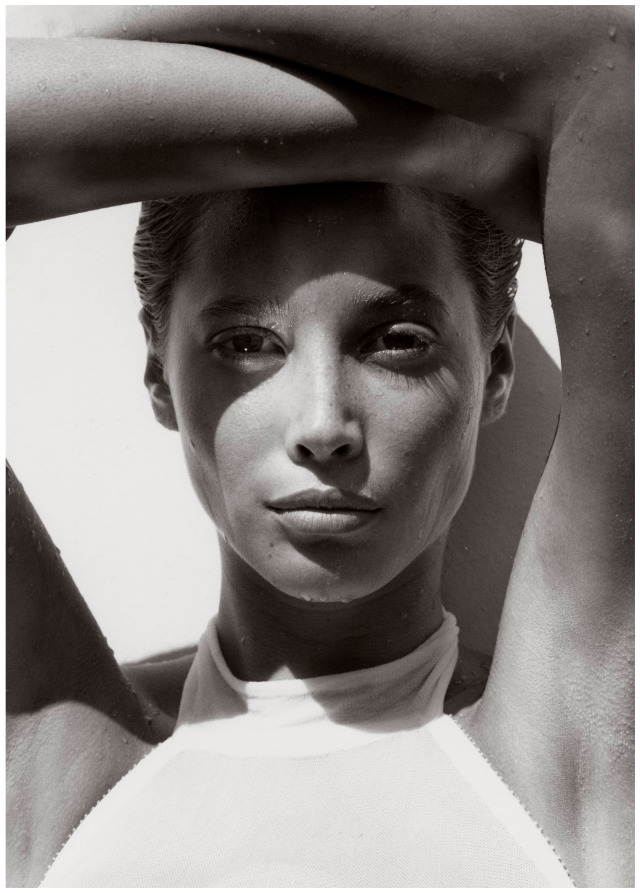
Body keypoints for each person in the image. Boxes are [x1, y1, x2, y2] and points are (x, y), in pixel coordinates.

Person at [6, 6, 633, 888]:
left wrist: (111, 32)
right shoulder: (58, 771)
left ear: (495, 365)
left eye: (396, 341)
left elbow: (612, 73)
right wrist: (453, 149)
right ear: (158, 373)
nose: (323, 424)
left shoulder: (575, 758)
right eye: (247, 344)